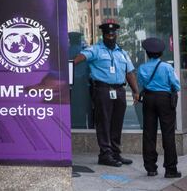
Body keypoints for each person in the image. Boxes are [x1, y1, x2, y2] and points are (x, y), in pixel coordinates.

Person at [72, 19, 139, 167]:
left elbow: (130, 72)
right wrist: (69, 66)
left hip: (120, 90)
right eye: (108, 35)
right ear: (103, 35)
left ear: (116, 35)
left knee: (117, 122)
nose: (111, 37)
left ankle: (115, 153)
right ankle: (105, 154)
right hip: (102, 90)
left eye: (113, 34)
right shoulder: (95, 49)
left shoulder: (122, 53)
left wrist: (135, 91)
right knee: (103, 122)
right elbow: (81, 58)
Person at [138, 37, 181, 178]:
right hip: (165, 100)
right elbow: (176, 85)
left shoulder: (142, 68)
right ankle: (170, 169)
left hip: (149, 98)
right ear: (161, 53)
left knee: (149, 133)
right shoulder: (167, 67)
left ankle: (150, 168)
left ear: (147, 53)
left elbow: (141, 83)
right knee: (168, 134)